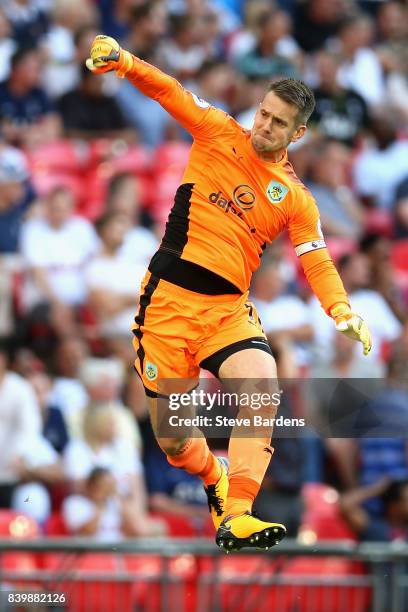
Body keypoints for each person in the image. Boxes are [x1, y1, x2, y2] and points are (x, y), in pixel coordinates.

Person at [85, 34, 372, 552]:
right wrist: (126, 62)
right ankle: (213, 475)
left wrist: (341, 308)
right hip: (168, 305)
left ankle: (237, 512)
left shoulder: (297, 200)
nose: (264, 125)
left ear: (299, 132)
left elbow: (316, 259)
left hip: (226, 313)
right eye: (264, 113)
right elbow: (171, 91)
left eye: (278, 122)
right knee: (173, 440)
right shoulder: (218, 132)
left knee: (263, 386)